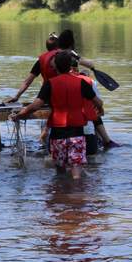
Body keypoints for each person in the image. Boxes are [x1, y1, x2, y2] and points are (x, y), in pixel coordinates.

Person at [13, 50, 103, 179]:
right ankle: (78, 195)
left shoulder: (50, 84)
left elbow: (35, 106)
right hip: (77, 133)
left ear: (55, 67)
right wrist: (99, 109)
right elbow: (98, 102)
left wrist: (20, 115)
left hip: (57, 134)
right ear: (70, 65)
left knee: (60, 173)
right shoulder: (82, 83)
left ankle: (60, 195)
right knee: (76, 172)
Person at [57, 29, 121, 149]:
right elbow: (91, 64)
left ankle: (103, 140)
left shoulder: (55, 55)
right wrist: (77, 56)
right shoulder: (71, 55)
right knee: (92, 105)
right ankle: (106, 140)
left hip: (57, 92)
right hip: (72, 91)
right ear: (71, 43)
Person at [5, 33, 60, 103]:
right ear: (58, 47)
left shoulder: (41, 60)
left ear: (47, 47)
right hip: (61, 93)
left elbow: (27, 81)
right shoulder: (64, 58)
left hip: (46, 93)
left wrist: (17, 96)